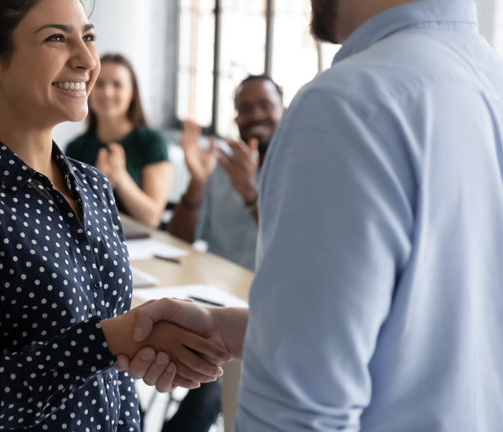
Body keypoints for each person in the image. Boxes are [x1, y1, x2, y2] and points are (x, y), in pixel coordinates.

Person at [119, 0, 503, 430]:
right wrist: (223, 327)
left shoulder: (348, 105)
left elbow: (298, 411)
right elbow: (422, 330)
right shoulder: (486, 76)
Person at [0, 1, 228, 431]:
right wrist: (109, 340)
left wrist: (143, 336)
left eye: (88, 36)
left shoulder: (92, 185)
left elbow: (98, 331)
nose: (87, 60)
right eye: (57, 38)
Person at [167, 75, 284, 271]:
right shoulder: (219, 165)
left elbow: (289, 245)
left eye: (265, 106)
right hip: (215, 286)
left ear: (283, 111)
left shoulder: (298, 170)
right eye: (245, 109)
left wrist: (251, 194)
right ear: (236, 118)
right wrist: (196, 183)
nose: (255, 116)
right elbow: (177, 240)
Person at [66, 53, 171, 227]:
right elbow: (74, 214)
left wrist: (120, 178)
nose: (107, 92)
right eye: (99, 84)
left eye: (117, 85)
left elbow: (152, 218)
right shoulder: (75, 148)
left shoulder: (152, 142)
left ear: (132, 93)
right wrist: (99, 185)